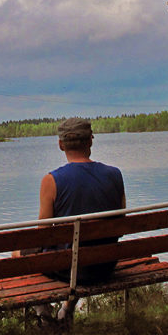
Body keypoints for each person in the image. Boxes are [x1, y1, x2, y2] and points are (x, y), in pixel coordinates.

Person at [39, 117, 126, 320]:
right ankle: (67, 310)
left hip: (68, 270)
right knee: (78, 251)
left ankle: (43, 314)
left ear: (61, 145)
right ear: (90, 141)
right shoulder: (115, 175)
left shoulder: (51, 180)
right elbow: (120, 226)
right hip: (105, 265)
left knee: (20, 254)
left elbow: (42, 235)